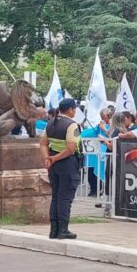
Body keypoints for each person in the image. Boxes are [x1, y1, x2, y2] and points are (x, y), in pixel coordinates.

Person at [39, 98, 82, 240]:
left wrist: (48, 159)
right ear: (70, 109)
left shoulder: (50, 123)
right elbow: (70, 149)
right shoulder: (72, 125)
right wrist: (54, 158)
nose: (75, 111)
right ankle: (63, 230)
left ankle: (54, 229)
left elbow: (43, 143)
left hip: (54, 165)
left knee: (56, 197)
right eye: (74, 109)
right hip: (67, 164)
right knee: (65, 198)